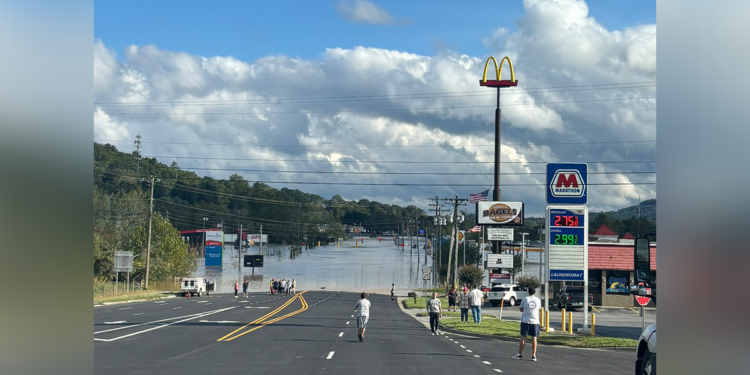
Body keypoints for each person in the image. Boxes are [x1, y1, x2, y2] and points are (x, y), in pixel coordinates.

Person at [513, 286, 542, 362]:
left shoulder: (525, 299)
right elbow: (539, 308)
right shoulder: (538, 300)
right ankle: (534, 355)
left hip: (525, 320)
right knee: (534, 338)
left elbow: (521, 309)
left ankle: (519, 354)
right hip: (535, 321)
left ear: (528, 291)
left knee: (523, 337)